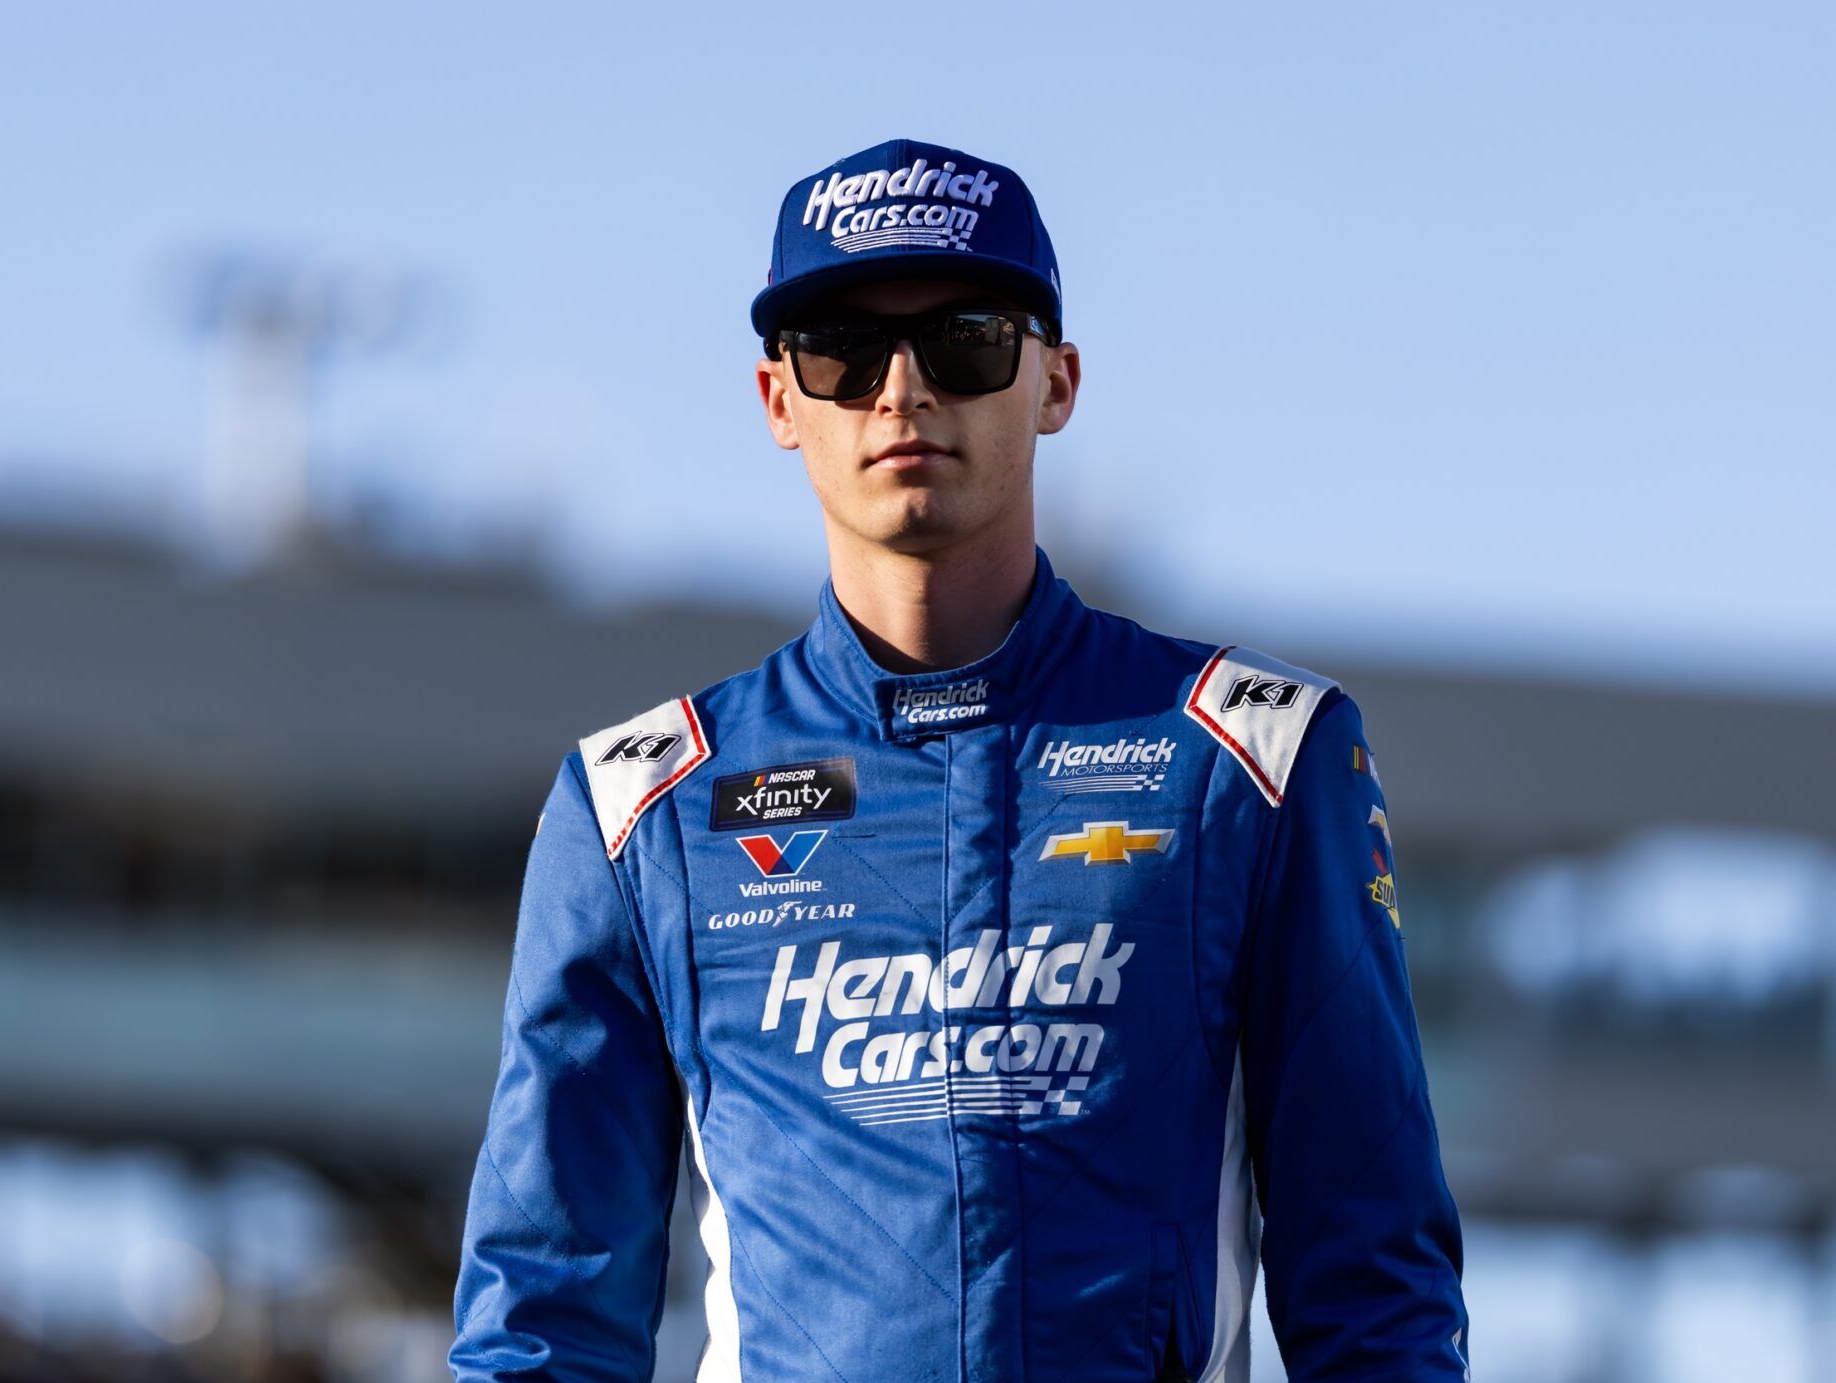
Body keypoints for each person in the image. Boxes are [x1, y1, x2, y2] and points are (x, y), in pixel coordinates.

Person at [450, 137, 1469, 1383]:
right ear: (780, 398)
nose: (901, 392)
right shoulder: (638, 807)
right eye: (841, 347)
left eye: (966, 340)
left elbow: (1373, 1283)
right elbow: (543, 1318)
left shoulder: (1251, 757)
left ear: (1058, 382)